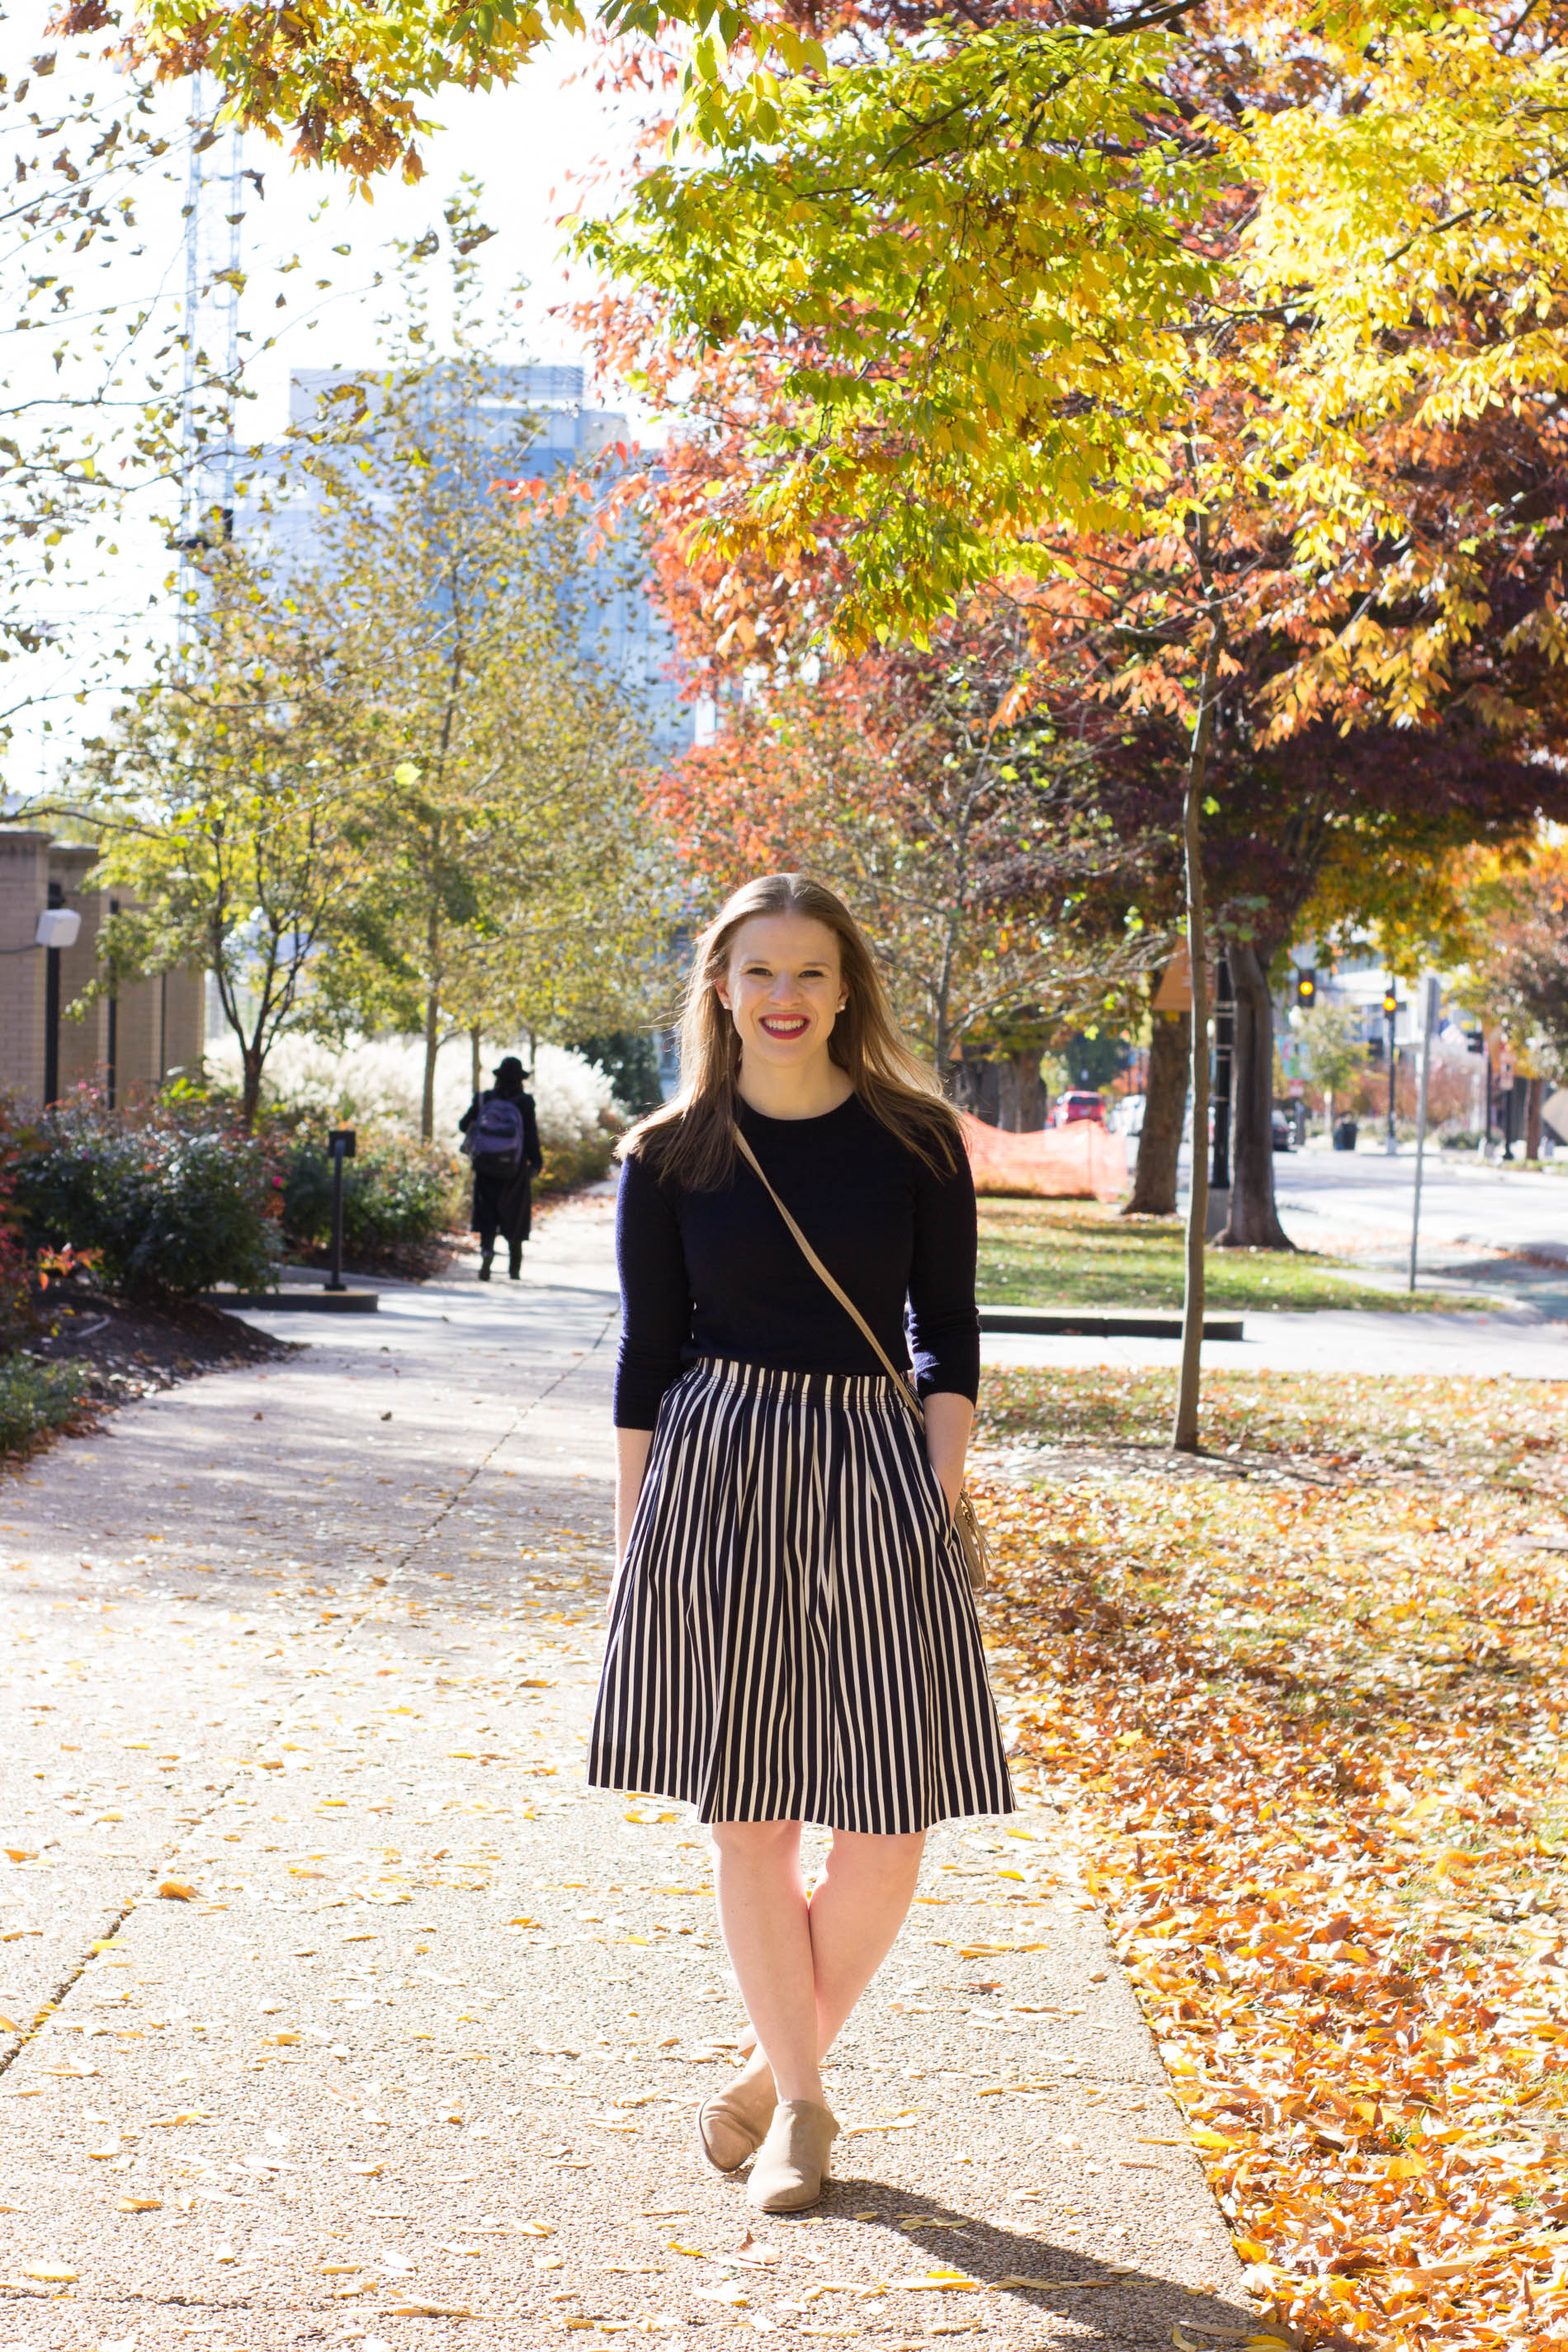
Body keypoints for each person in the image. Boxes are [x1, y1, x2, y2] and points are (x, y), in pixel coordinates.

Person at [588, 873, 1013, 2216]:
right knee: (753, 1814)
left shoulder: (915, 1140)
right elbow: (646, 1355)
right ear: (719, 987)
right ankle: (806, 2113)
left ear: (847, 991)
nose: (785, 998)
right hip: (718, 1472)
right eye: (758, 972)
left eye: (810, 973)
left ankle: (770, 2071)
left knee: (892, 1814)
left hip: (878, 1469)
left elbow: (946, 1326)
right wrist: (633, 1531)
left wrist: (936, 1482)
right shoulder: (668, 1156)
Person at [458, 1055, 543, 1281]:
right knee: (515, 1214)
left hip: (485, 1166)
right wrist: (536, 1162)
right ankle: (514, 1268)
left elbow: (462, 1125)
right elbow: (531, 1137)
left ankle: (487, 1252)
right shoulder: (525, 1102)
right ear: (520, 1080)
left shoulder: (484, 1099)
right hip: (514, 1168)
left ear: (498, 1078)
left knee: (487, 1212)